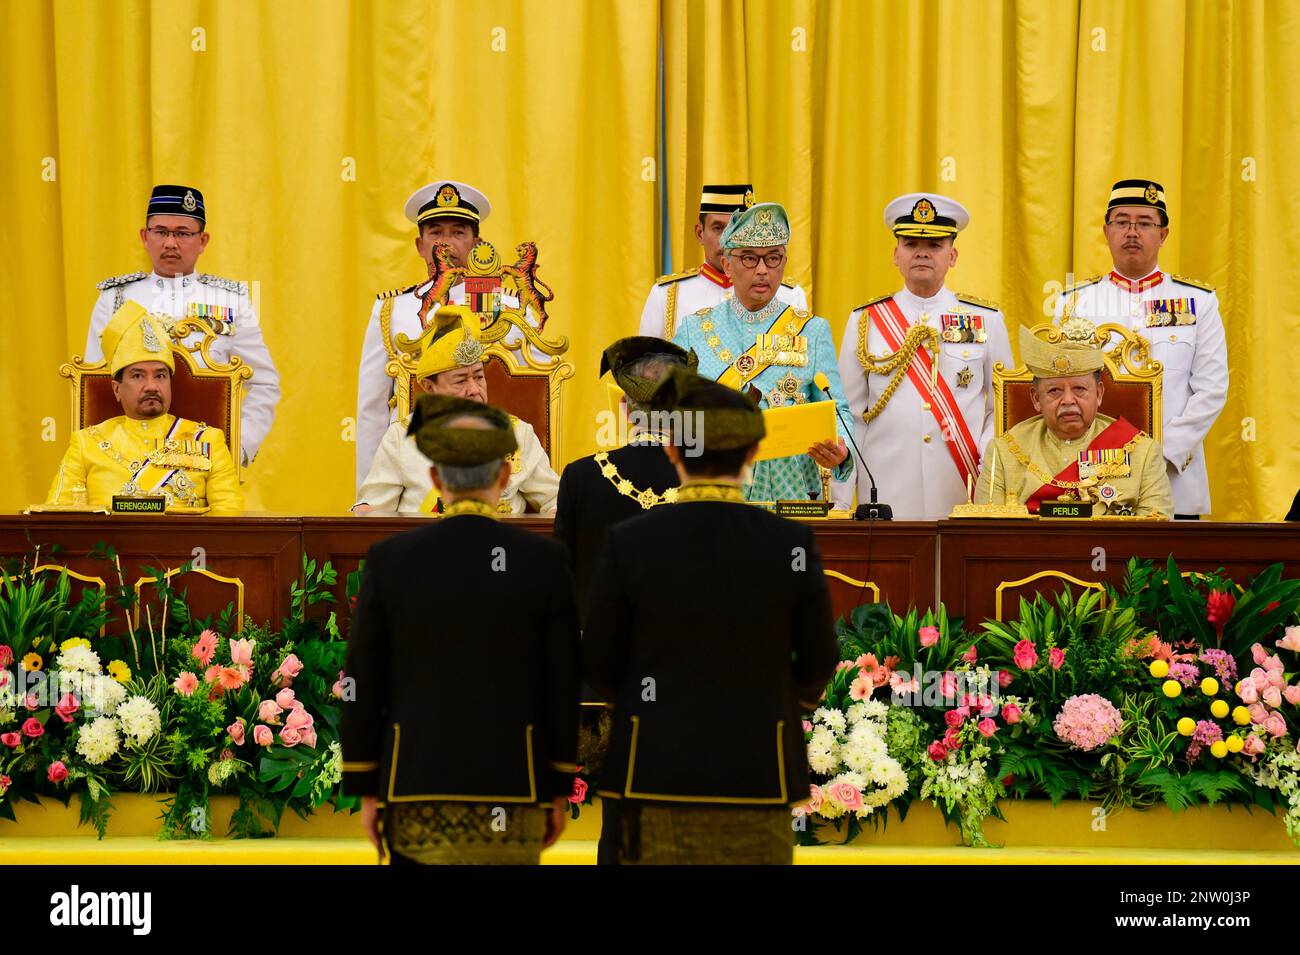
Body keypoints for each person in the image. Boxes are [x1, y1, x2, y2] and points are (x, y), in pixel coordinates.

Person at [583, 369, 839, 864]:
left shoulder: (630, 542)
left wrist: (642, 703)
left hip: (651, 769)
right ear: (750, 455)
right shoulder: (789, 543)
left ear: (674, 451)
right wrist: (783, 702)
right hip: (757, 771)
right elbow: (818, 658)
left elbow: (598, 660)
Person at [342, 394, 580, 864]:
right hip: (515, 787)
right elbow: (562, 685)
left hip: (416, 787)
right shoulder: (545, 561)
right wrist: (556, 784)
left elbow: (361, 684)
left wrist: (366, 786)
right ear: (505, 476)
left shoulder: (391, 561)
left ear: (435, 479)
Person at [1053, 179, 1228, 518]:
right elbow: (1062, 389)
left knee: (1172, 570)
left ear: (1163, 234)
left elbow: (1211, 389)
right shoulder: (1074, 304)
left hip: (1174, 477)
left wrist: (1159, 456)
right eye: (1122, 222)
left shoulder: (1199, 302)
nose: (1132, 232)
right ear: (1106, 231)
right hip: (1093, 478)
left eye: (1145, 223)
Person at [833, 193, 1012, 518]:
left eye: (934, 245)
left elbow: (1001, 409)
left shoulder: (987, 319)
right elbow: (849, 412)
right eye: (911, 243)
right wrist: (842, 499)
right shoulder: (865, 320)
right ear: (896, 254)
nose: (922, 253)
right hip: (884, 485)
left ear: (953, 255)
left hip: (964, 481)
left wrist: (989, 461)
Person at [85, 185, 281, 468]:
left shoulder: (230, 300)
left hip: (203, 463)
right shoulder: (115, 298)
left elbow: (264, 382)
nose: (170, 243)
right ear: (145, 236)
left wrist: (235, 448)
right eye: (161, 231)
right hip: (127, 463)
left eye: (182, 233)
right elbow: (98, 386)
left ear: (202, 241)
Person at [671, 202, 853, 503]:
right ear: (727, 265)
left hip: (791, 497)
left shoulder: (812, 331)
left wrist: (841, 449)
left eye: (773, 259)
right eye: (749, 259)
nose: (762, 270)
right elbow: (670, 410)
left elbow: (837, 410)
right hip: (714, 494)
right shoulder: (694, 329)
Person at [353, 306, 557, 515]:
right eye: (460, 381)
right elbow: (374, 510)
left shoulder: (517, 433)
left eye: (478, 377)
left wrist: (556, 514)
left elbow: (554, 499)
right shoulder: (401, 437)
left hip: (500, 545)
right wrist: (366, 511)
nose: (474, 390)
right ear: (430, 388)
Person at [46, 301, 242, 515]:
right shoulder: (86, 443)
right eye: (138, 376)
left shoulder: (208, 440)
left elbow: (229, 521)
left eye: (160, 376)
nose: (151, 386)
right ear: (117, 390)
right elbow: (58, 518)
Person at [554, 336, 693, 619]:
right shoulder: (710, 479)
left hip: (598, 656)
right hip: (684, 655)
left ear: (625, 409)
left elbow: (560, 580)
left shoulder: (579, 476)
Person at [975, 325, 1172, 517]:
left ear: (1099, 394)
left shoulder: (1141, 451)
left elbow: (1156, 531)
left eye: (1079, 389)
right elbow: (986, 530)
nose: (1068, 400)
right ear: (1036, 398)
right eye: (1054, 391)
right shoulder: (1004, 451)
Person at [638, 183, 806, 340]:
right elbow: (645, 367)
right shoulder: (667, 295)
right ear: (699, 233)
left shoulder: (789, 296)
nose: (726, 240)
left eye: (736, 230)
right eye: (718, 228)